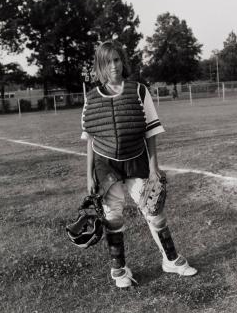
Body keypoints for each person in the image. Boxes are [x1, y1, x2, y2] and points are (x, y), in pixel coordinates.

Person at [81, 40, 197, 288]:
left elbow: (152, 131)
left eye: (117, 60)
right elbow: (90, 138)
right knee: (113, 217)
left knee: (154, 212)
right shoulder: (91, 98)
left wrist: (154, 166)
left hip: (136, 158)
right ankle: (119, 271)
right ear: (99, 67)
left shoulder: (138, 91)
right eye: (107, 62)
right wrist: (89, 176)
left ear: (122, 62)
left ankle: (171, 259)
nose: (113, 66)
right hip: (105, 163)